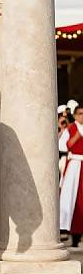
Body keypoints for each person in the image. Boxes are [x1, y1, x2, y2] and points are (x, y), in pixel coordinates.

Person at [59, 105, 83, 247]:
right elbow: (64, 146)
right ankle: (71, 231)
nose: (82, 116)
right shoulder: (71, 129)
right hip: (74, 165)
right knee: (71, 196)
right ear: (74, 115)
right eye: (80, 113)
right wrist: (76, 136)